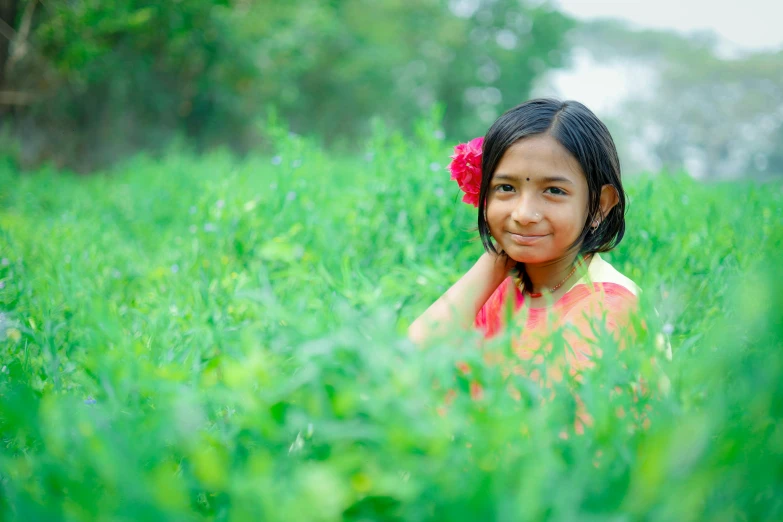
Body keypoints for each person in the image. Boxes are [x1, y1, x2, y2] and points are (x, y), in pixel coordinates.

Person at [408, 99, 640, 368]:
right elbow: (408, 363)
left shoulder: (610, 310)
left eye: (554, 191)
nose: (523, 214)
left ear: (600, 206)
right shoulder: (504, 287)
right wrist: (494, 263)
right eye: (506, 188)